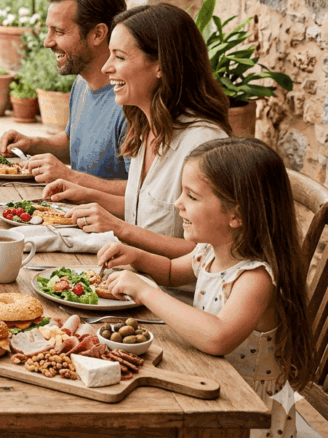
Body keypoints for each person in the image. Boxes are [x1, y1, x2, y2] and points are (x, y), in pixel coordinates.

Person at [98, 138, 312, 438]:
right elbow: (173, 271)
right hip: (212, 384)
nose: (178, 203)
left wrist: (146, 292)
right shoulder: (211, 251)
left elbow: (218, 337)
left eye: (192, 196)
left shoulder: (256, 279)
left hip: (248, 415)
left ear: (236, 215)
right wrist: (137, 256)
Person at [46, 3, 231, 258]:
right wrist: (87, 195)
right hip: (133, 277)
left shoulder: (203, 144)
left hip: (167, 293)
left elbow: (208, 255)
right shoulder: (147, 126)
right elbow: (146, 211)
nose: (106, 67)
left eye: (119, 57)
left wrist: (119, 228)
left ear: (161, 65)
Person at [0, 0, 130, 181]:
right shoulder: (82, 83)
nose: (47, 42)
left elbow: (138, 197)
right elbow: (76, 144)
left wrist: (69, 177)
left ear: (98, 34)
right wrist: (32, 144)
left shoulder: (131, 102)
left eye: (58, 31)